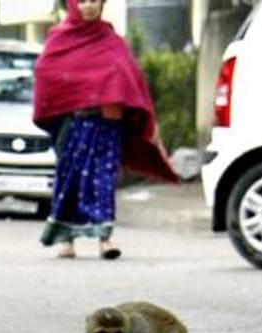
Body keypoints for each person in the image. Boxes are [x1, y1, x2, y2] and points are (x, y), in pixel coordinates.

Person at [33, 0, 177, 260]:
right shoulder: (59, 39)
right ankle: (66, 239)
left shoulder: (111, 40)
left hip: (108, 124)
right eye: (83, 0)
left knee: (103, 181)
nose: (89, 6)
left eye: (95, 0)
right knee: (71, 179)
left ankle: (104, 239)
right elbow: (46, 73)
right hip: (75, 125)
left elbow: (130, 78)